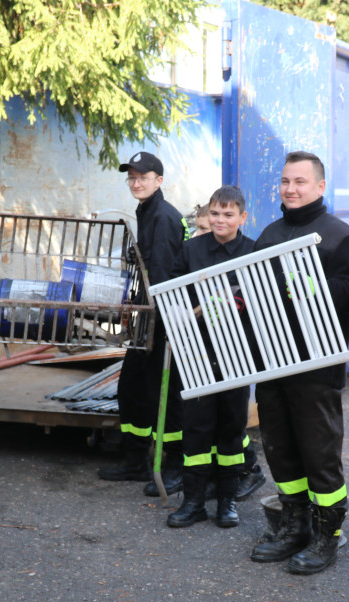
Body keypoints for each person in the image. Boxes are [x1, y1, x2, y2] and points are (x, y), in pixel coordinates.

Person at [249, 151, 349, 574]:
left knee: (319, 455)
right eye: (285, 181)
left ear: (321, 186)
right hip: (269, 361)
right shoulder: (268, 234)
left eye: (300, 181)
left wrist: (310, 285)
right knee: (280, 450)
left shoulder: (340, 236)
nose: (291, 189)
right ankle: (294, 526)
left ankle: (327, 536)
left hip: (315, 366)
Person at [166, 186, 257, 528]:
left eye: (228, 214)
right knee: (197, 427)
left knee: (232, 428)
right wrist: (197, 308)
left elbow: (263, 303)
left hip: (237, 354)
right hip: (198, 353)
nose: (221, 220)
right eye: (215, 214)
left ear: (242, 218)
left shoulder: (254, 251)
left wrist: (239, 303)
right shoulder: (191, 250)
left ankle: (227, 501)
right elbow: (171, 294)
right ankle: (192, 502)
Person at [98, 152, 188, 496]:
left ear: (159, 181)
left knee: (161, 394)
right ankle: (135, 460)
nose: (136, 183)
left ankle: (173, 466)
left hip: (163, 319)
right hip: (147, 316)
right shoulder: (147, 211)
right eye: (132, 178)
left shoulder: (163, 217)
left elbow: (164, 276)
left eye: (143, 177)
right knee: (132, 389)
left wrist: (162, 331)